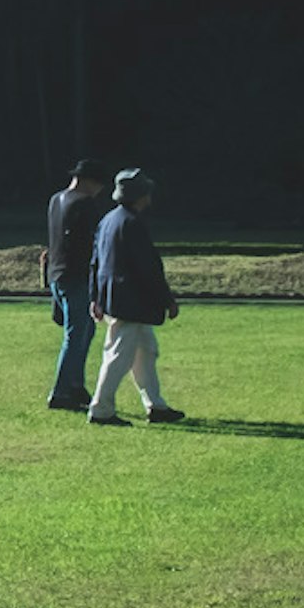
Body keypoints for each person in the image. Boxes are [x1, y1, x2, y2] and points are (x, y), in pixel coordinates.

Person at [87, 168, 188, 422]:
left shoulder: (109, 220)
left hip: (115, 298)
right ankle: (100, 410)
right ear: (141, 195)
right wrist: (167, 299)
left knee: (146, 350)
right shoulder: (132, 223)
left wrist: (95, 297)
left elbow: (96, 262)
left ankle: (156, 405)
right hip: (131, 301)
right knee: (119, 355)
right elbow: (148, 267)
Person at [42, 156, 109, 410]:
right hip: (77, 275)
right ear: (90, 182)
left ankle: (75, 385)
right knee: (76, 333)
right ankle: (61, 391)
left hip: (57, 274)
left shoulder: (56, 200)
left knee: (83, 331)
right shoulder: (85, 204)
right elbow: (93, 244)